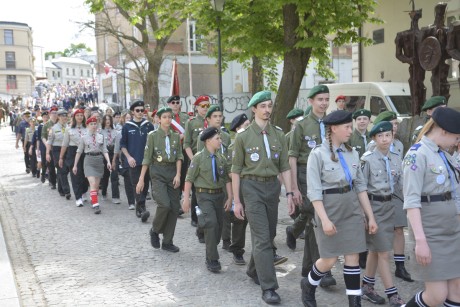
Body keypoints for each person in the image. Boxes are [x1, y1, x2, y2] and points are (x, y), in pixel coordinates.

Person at [301, 110, 378, 307]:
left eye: (350, 127)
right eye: (347, 127)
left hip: (351, 207)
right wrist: (325, 220)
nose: (350, 131)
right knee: (329, 259)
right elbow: (314, 191)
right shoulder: (317, 154)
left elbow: (360, 187)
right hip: (329, 208)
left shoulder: (352, 153)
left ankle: (355, 302)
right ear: (333, 128)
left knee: (352, 255)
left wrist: (370, 217)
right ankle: (308, 285)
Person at [231, 90, 294, 305]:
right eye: (263, 106)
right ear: (254, 109)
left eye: (269, 105)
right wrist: (237, 201)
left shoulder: (278, 134)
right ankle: (269, 287)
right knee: (261, 238)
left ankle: (253, 269)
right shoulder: (243, 137)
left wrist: (290, 192)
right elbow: (236, 170)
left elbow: (284, 166)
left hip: (272, 188)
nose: (267, 110)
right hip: (251, 188)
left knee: (268, 236)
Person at [403, 107, 460, 307]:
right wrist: (420, 241)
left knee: (457, 291)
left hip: (452, 230)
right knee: (436, 296)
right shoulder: (417, 155)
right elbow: (411, 202)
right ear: (444, 130)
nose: (457, 141)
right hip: (431, 233)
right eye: (456, 136)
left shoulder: (445, 154)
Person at [288, 85, 336, 286]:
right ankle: (323, 271)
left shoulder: (332, 123)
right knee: (317, 220)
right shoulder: (301, 125)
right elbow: (292, 156)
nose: (323, 103)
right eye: (320, 99)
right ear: (311, 102)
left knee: (311, 222)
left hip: (326, 176)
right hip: (305, 175)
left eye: (326, 99)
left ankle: (308, 267)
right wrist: (294, 188)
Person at [360, 121, 405, 306]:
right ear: (374, 138)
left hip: (390, 206)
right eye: (380, 136)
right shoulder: (368, 159)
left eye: (388, 135)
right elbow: (360, 187)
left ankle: (366, 287)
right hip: (374, 208)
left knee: (375, 250)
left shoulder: (396, 157)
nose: (385, 139)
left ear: (392, 136)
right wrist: (365, 215)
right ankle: (392, 294)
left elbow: (401, 183)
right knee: (384, 253)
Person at [369, 111, 412, 280]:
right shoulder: (372, 150)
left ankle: (400, 266)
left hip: (396, 194)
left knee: (399, 228)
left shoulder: (399, 145)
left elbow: (400, 171)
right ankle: (375, 273)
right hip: (379, 197)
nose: (395, 127)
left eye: (395, 125)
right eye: (391, 124)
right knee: (381, 236)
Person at [183, 127, 232, 272]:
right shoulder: (198, 158)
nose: (220, 141)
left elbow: (226, 180)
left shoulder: (221, 158)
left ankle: (204, 233)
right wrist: (186, 199)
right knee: (211, 223)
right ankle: (212, 259)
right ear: (208, 141)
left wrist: (230, 197)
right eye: (217, 139)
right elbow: (189, 179)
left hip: (219, 196)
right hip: (204, 196)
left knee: (218, 229)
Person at [136, 107, 183, 252]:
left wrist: (178, 174)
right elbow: (147, 158)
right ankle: (155, 230)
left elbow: (179, 157)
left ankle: (167, 241)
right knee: (164, 204)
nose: (168, 119)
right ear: (158, 119)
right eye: (164, 117)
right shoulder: (152, 135)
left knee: (174, 208)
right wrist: (141, 179)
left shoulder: (176, 136)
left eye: (170, 117)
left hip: (172, 172)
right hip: (158, 172)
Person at [120, 100, 155, 222]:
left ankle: (141, 206)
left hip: (147, 161)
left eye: (142, 110)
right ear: (133, 112)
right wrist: (129, 157)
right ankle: (141, 208)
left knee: (145, 185)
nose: (140, 112)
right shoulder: (127, 126)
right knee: (137, 184)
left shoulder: (148, 125)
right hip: (134, 161)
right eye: (137, 110)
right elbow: (123, 145)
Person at [224, 113, 250, 265]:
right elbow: (231, 170)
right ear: (238, 129)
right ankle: (237, 250)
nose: (249, 128)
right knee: (240, 219)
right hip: (240, 184)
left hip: (255, 185)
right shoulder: (233, 147)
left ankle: (270, 251)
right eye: (246, 126)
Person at [73, 116, 111, 214]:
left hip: (99, 160)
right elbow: (79, 151)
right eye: (91, 124)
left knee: (96, 186)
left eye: (95, 124)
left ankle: (93, 197)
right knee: (92, 183)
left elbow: (104, 150)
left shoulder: (101, 137)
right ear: (88, 125)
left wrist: (108, 162)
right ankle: (95, 204)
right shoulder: (84, 137)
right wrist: (75, 165)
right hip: (88, 160)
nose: (94, 126)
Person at [183, 95, 210, 227]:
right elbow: (187, 144)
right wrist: (193, 160)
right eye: (202, 106)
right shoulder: (191, 122)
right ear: (197, 107)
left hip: (211, 161)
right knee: (196, 190)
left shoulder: (212, 121)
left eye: (207, 106)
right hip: (195, 160)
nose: (205, 108)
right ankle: (195, 217)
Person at [60, 108, 88, 207]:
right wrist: (61, 157)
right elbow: (65, 144)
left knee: (85, 175)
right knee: (75, 175)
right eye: (77, 115)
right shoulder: (69, 129)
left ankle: (84, 190)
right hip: (73, 152)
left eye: (81, 115)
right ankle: (78, 197)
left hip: (85, 152)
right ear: (74, 117)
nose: (80, 117)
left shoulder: (87, 127)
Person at [47, 109, 72, 199]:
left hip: (67, 149)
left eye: (65, 116)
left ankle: (60, 189)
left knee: (65, 170)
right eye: (62, 116)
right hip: (57, 150)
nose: (64, 117)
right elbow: (49, 142)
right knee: (62, 169)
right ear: (58, 117)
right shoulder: (53, 128)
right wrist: (47, 153)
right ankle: (67, 191)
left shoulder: (69, 127)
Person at [114, 111, 136, 210]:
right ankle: (131, 202)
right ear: (123, 119)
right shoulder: (120, 132)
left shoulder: (136, 129)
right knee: (128, 180)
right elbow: (117, 149)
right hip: (125, 158)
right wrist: (117, 161)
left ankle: (139, 199)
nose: (128, 120)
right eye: (127, 118)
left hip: (136, 157)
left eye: (130, 118)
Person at [100, 114, 120, 204]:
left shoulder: (115, 131)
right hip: (104, 154)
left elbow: (117, 144)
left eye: (109, 119)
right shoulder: (100, 132)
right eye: (106, 119)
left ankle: (115, 196)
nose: (108, 121)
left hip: (114, 153)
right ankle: (104, 192)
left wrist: (115, 157)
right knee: (105, 175)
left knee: (114, 175)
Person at [41, 106, 59, 189]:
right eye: (53, 113)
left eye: (56, 113)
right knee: (51, 167)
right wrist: (47, 145)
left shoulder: (60, 123)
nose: (54, 114)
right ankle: (53, 182)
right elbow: (43, 136)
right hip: (49, 148)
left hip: (58, 148)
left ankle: (60, 182)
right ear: (50, 114)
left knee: (59, 166)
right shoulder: (46, 124)